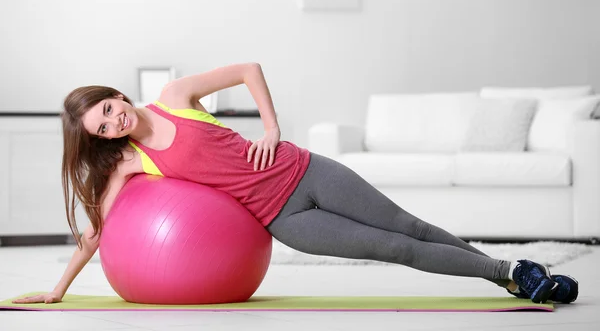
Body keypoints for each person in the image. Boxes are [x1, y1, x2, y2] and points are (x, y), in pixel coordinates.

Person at [13, 63, 578, 305]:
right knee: (398, 248)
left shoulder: (175, 96)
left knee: (410, 224)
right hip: (286, 220)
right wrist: (59, 288)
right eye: (103, 126)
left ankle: (509, 276)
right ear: (101, 138)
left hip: (306, 170)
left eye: (109, 108)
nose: (115, 121)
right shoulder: (130, 162)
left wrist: (271, 128)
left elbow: (248, 69)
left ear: (113, 94)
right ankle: (512, 274)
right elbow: (97, 232)